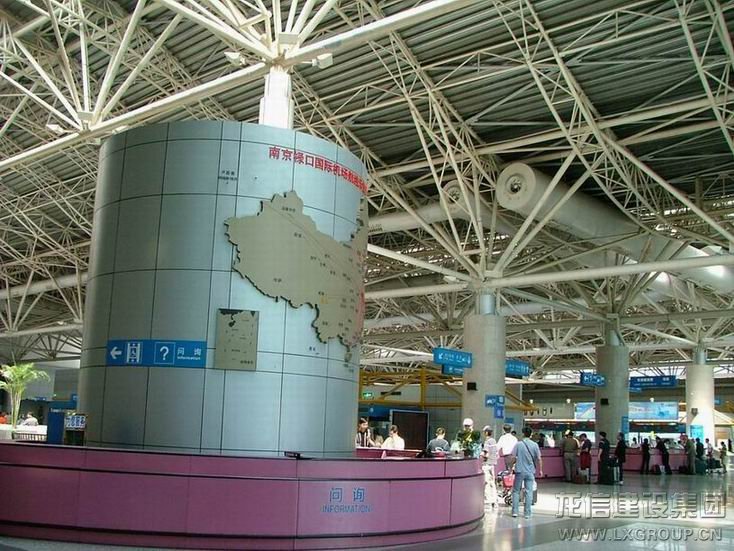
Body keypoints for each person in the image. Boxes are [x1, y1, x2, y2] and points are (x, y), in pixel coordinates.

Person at [510, 426, 543, 519]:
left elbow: (513, 457)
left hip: (519, 471)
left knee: (516, 491)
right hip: (530, 472)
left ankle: (515, 512)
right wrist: (541, 470)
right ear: (531, 434)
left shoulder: (518, 444)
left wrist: (510, 468)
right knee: (529, 492)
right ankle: (527, 513)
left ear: (523, 434)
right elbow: (539, 459)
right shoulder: (535, 445)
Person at [481, 426, 499, 507]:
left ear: (486, 432)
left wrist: (481, 455)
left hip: (487, 464)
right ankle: (495, 499)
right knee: (492, 482)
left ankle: (489, 500)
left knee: (487, 482)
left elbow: (486, 454)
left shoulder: (487, 442)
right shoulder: (494, 441)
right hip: (493, 463)